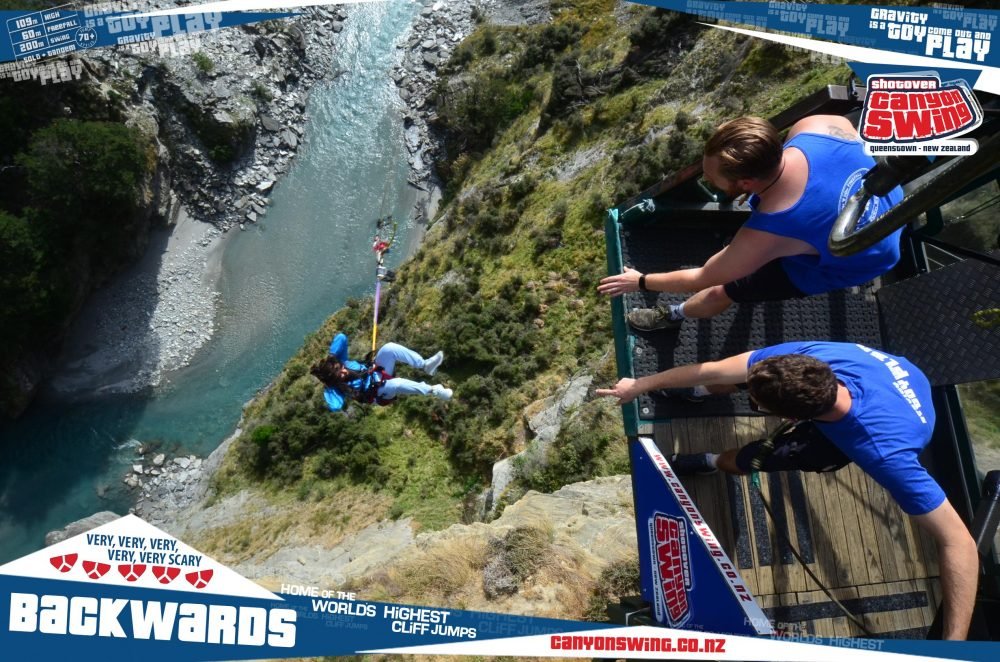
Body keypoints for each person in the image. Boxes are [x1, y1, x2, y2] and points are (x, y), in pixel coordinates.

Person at [595, 341, 977, 639]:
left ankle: (712, 462)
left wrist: (952, 645)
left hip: (883, 426)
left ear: (793, 420)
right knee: (730, 374)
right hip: (899, 382)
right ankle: (696, 393)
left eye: (757, 406)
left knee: (755, 458)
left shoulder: (883, 454)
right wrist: (641, 384)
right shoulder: (813, 358)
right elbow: (717, 367)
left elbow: (958, 542)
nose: (752, 403)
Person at [598, 115, 904, 330]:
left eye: (713, 179)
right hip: (890, 208)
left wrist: (639, 280)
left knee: (725, 289)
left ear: (746, 182)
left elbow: (704, 277)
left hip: (860, 257)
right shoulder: (814, 127)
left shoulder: (773, 226)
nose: (708, 180)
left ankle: (673, 316)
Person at [311, 333, 452, 411]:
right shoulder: (336, 388)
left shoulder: (343, 362)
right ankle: (435, 391)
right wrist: (329, 387)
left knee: (389, 348)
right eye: (338, 374)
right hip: (379, 394)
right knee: (395, 384)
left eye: (339, 367)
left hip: (377, 371)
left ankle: (425, 365)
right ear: (334, 380)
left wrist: (332, 356)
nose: (343, 371)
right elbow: (336, 406)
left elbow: (341, 337)